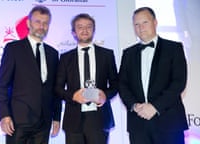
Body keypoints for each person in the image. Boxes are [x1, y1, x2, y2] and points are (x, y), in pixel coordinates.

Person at [118, 7, 188, 144]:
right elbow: (122, 84)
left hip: (169, 122)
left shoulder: (174, 48)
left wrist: (155, 106)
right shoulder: (128, 53)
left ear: (155, 22)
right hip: (138, 124)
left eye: (145, 22)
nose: (141, 28)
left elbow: (178, 82)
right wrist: (134, 105)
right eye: (136, 24)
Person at [0, 5, 61, 144]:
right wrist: (4, 115)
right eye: (37, 21)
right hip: (18, 120)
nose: (41, 26)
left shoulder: (53, 54)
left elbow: (55, 90)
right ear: (28, 23)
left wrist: (56, 117)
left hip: (44, 122)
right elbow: (3, 85)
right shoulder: (14, 49)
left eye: (45, 23)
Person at [55, 13, 118, 144]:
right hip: (74, 119)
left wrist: (105, 96)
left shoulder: (107, 55)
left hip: (99, 118)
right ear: (73, 32)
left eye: (89, 26)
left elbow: (116, 84)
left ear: (94, 30)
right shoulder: (65, 58)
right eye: (80, 27)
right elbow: (57, 88)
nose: (85, 30)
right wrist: (73, 96)